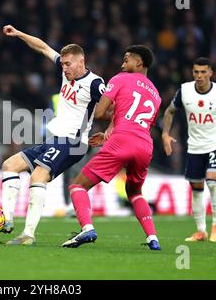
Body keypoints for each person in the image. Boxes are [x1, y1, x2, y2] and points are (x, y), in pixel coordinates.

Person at [0, 25, 106, 245]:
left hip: (73, 141)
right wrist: (19, 34)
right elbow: (43, 48)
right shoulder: (66, 71)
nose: (64, 68)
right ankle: (6, 220)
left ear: (81, 61)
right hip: (54, 139)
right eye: (63, 63)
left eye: (68, 64)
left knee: (38, 177)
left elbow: (114, 105)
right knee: (9, 165)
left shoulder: (95, 83)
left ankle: (28, 234)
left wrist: (109, 132)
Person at [61, 45, 162, 250]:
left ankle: (87, 228)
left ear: (139, 63)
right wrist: (111, 131)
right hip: (144, 145)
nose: (122, 64)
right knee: (135, 192)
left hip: (121, 141)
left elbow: (99, 113)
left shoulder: (119, 79)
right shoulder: (156, 94)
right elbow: (136, 119)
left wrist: (112, 129)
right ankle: (153, 238)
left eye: (126, 60)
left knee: (77, 185)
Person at [161, 57, 216, 242]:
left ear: (211, 73)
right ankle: (201, 231)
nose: (199, 76)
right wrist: (165, 134)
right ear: (192, 73)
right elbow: (169, 111)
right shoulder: (184, 91)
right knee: (196, 189)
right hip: (194, 147)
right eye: (196, 72)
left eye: (203, 72)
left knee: (212, 182)